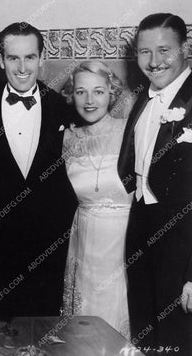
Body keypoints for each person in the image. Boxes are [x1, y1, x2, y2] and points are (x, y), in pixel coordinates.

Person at [0, 22, 77, 317]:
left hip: (51, 247)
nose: (22, 67)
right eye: (13, 58)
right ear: (1, 60)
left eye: (30, 57)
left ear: (42, 58)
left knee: (46, 335)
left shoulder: (66, 108)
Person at [118, 13, 192, 355]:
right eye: (144, 52)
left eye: (164, 50)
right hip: (142, 238)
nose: (154, 61)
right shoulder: (144, 100)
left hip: (185, 248)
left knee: (180, 339)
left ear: (186, 49)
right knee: (146, 336)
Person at [60, 61, 131, 337]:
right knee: (84, 326)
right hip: (84, 243)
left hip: (125, 243)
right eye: (81, 92)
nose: (90, 101)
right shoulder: (66, 139)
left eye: (98, 92)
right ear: (72, 95)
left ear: (111, 93)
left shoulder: (131, 132)